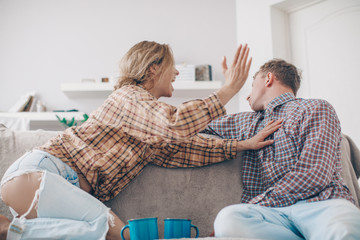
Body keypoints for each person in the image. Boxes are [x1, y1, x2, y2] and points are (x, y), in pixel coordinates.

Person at [0, 41, 282, 240]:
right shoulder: (129, 97)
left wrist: (241, 145)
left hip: (46, 187)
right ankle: (5, 229)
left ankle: (12, 230)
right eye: (171, 67)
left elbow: (184, 148)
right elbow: (176, 124)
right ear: (152, 69)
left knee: (98, 234)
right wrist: (229, 89)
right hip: (41, 174)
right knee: (118, 232)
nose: (175, 73)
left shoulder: (147, 129)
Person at [204, 58, 360, 239]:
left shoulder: (315, 108)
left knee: (344, 227)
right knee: (228, 219)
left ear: (268, 79)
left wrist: (259, 204)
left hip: (321, 205)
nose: (247, 96)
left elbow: (315, 174)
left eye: (252, 86)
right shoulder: (244, 121)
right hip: (274, 216)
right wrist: (228, 88)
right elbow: (191, 127)